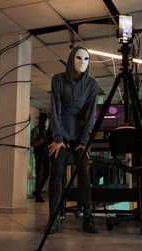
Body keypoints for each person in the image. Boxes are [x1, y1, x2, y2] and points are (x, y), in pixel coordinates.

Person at [47, 46, 99, 233]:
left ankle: (88, 218)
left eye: (86, 59)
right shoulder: (58, 80)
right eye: (78, 58)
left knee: (83, 172)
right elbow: (55, 110)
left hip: (80, 133)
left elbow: (90, 114)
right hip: (59, 131)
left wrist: (84, 141)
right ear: (70, 59)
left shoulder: (92, 84)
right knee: (57, 171)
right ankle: (53, 218)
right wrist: (58, 138)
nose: (82, 62)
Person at [31, 112, 50, 202]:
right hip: (39, 155)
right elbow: (32, 143)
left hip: (47, 154)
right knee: (39, 175)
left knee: (46, 175)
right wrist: (43, 140)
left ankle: (37, 191)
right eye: (43, 119)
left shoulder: (46, 130)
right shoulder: (35, 130)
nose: (44, 121)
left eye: (45, 119)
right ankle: (38, 194)